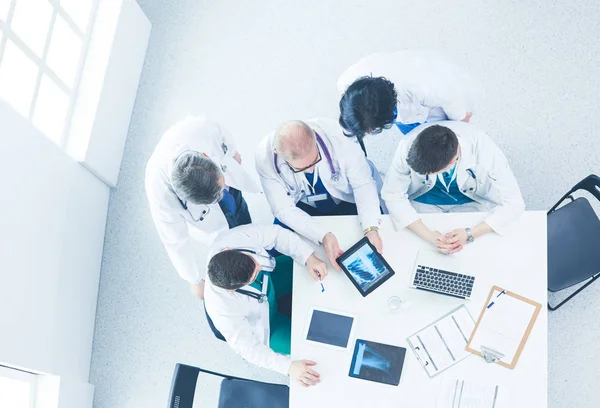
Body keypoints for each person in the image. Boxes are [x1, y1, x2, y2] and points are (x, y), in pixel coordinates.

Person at [145, 116, 261, 298]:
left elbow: (223, 134)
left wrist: (233, 153)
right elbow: (175, 242)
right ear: (187, 198)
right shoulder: (161, 194)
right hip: (211, 221)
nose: (221, 196)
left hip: (229, 186)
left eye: (220, 187)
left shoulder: (199, 128)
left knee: (240, 211)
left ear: (206, 157)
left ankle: (254, 247)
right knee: (230, 242)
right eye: (215, 198)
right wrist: (194, 280)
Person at [204, 224, 328, 386]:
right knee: (317, 346)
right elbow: (248, 349)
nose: (260, 266)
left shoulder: (230, 239)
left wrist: (309, 258)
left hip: (272, 278)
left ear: (229, 249)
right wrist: (288, 367)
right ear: (234, 290)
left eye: (253, 260)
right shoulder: (221, 308)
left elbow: (276, 234)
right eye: (255, 273)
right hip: (268, 323)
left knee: (319, 261)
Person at [255, 118, 383, 268]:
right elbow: (283, 209)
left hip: (344, 197)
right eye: (301, 168)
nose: (310, 169)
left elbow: (363, 184)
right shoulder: (265, 158)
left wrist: (370, 228)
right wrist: (323, 235)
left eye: (315, 160)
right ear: (279, 154)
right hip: (302, 203)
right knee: (276, 248)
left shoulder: (340, 136)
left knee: (373, 225)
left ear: (315, 135)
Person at [381, 121, 524, 254]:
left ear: (450, 164)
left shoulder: (483, 147)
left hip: (471, 200)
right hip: (423, 199)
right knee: (414, 249)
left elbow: (514, 203)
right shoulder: (407, 146)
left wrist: (470, 234)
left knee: (477, 252)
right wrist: (430, 236)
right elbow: (392, 195)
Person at [337, 50, 484, 155]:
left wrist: (460, 120)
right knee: (415, 140)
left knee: (443, 141)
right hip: (399, 105)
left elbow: (452, 100)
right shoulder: (346, 82)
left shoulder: (427, 88)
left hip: (437, 102)